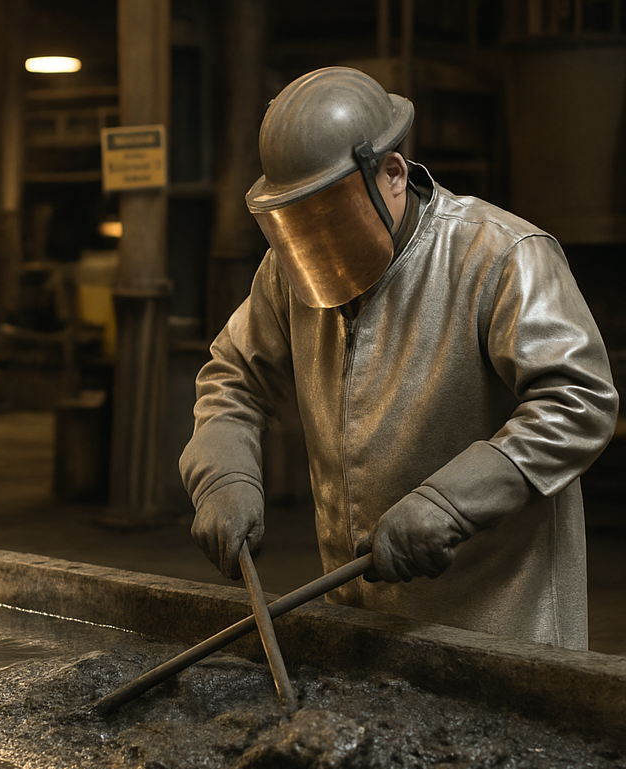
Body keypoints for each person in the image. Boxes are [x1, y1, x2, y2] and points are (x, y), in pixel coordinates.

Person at [180, 66, 619, 650]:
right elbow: (233, 377)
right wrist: (223, 473)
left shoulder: (500, 255)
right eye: (297, 222)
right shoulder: (290, 271)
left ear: (391, 173)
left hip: (500, 627)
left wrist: (452, 503)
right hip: (362, 622)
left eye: (329, 216)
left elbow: (577, 401)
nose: (314, 244)